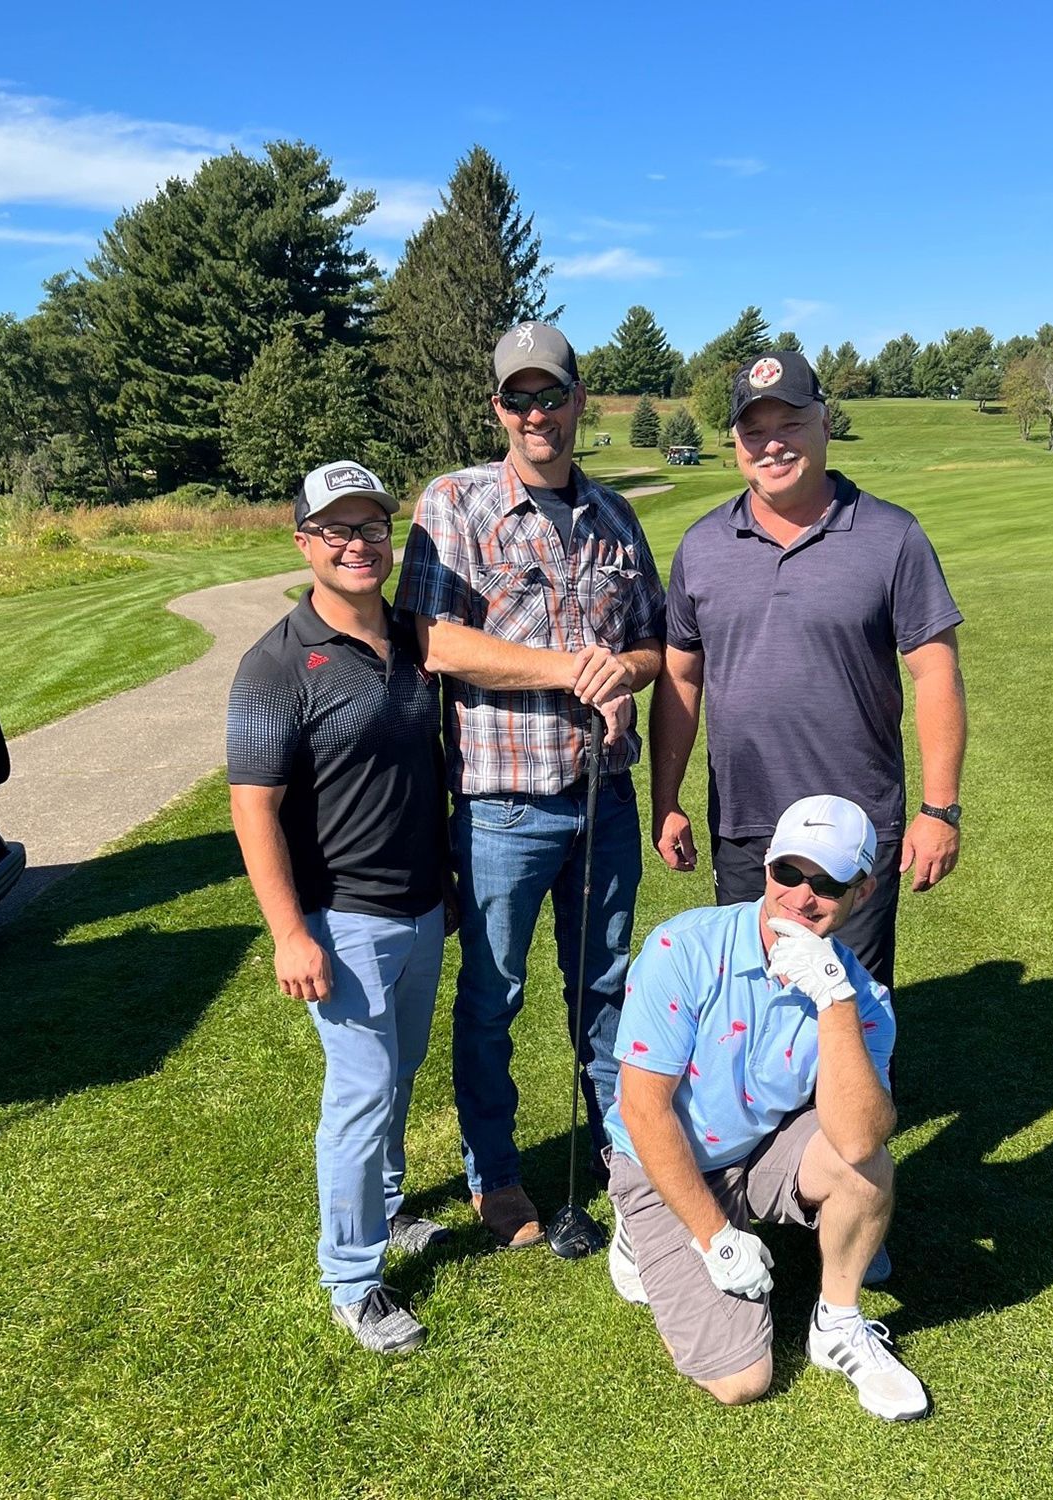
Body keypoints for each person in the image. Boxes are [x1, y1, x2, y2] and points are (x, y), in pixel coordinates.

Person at [395, 322, 666, 1249]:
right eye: (518, 398)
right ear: (497, 408)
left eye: (551, 395)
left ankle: (625, 1156)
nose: (535, 413)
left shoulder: (617, 518)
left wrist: (619, 683)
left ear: (579, 399)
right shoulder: (455, 504)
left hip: (605, 802)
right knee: (492, 997)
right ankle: (497, 1175)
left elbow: (650, 647)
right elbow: (433, 642)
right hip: (502, 806)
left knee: (608, 991)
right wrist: (567, 671)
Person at [649, 350, 966, 996]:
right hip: (747, 827)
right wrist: (666, 801)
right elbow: (680, 678)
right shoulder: (703, 546)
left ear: (824, 423)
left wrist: (941, 809)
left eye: (790, 424)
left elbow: (935, 673)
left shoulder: (891, 537)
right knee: (755, 1006)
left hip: (856, 826)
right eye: (753, 431)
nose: (772, 445)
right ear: (735, 442)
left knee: (851, 1009)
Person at [604, 795, 928, 1420]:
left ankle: (838, 1325)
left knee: (866, 1165)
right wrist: (717, 1237)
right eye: (789, 873)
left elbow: (861, 1140)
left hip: (755, 1148)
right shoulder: (684, 949)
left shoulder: (861, 995)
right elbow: (643, 1110)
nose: (803, 899)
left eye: (829, 884)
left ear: (862, 891)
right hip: (659, 1159)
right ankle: (639, 1231)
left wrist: (834, 1001)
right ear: (767, 867)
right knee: (743, 1380)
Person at [227, 460, 450, 1356]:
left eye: (371, 527)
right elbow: (253, 807)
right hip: (342, 919)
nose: (358, 544)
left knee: (398, 1074)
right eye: (337, 530)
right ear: (304, 543)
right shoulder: (276, 663)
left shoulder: (408, 633)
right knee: (360, 1092)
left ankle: (387, 1212)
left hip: (423, 906)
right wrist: (289, 932)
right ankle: (352, 1278)